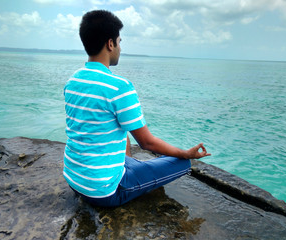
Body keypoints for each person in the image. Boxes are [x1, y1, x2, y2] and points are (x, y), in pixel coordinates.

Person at [63, 10, 211, 207]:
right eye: (119, 41)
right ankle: (127, 176)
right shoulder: (119, 87)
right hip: (104, 192)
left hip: (74, 178)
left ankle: (127, 169)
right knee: (182, 164)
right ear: (110, 44)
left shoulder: (72, 81)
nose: (120, 48)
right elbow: (147, 143)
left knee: (121, 129)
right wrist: (185, 153)